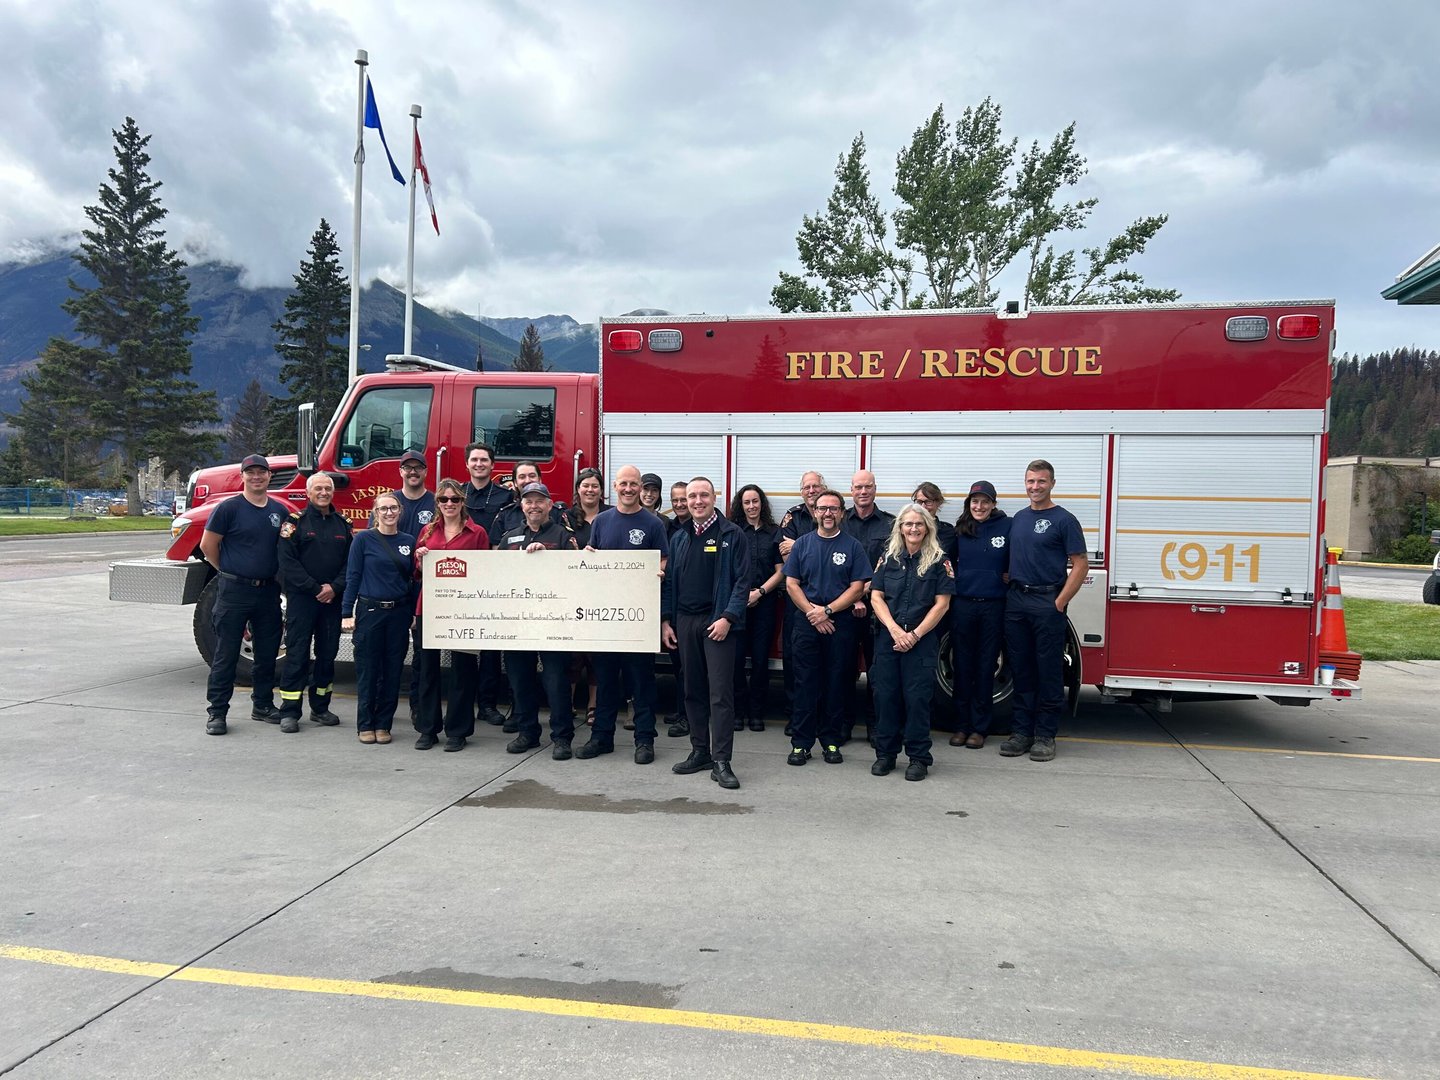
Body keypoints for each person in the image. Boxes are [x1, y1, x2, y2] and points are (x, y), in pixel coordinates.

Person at [577, 464, 670, 764]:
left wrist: (659, 572)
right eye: (623, 484)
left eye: (634, 484)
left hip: (639, 619)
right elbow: (593, 560)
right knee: (604, 681)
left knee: (641, 682)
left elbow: (664, 561)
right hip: (606, 618)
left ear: (641, 487)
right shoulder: (602, 522)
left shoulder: (653, 524)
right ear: (614, 487)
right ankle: (601, 738)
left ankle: (644, 740)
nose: (629, 489)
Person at [1000, 459, 1089, 763]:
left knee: (1048, 671)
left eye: (1041, 481)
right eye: (1030, 481)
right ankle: (1021, 732)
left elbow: (1080, 564)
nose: (1034, 487)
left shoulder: (1065, 520)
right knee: (1020, 669)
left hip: (1047, 603)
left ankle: (1045, 735)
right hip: (1017, 602)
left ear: (1052, 483)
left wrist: (1060, 602)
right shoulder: (1019, 519)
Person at [663, 477, 750, 790]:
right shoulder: (679, 537)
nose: (697, 501)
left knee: (720, 694)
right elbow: (670, 582)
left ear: (715, 497)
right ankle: (699, 751)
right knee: (692, 689)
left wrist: (728, 617)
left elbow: (742, 582)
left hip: (717, 624)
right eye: (692, 496)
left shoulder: (731, 534)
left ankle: (721, 760)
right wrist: (666, 621)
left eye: (703, 495)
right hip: (685, 622)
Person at [199, 454, 289, 735]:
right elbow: (207, 545)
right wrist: (228, 570)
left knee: (266, 655)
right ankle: (217, 712)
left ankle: (262, 704)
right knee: (225, 655)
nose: (257, 477)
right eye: (251, 473)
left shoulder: (278, 511)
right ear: (243, 476)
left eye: (261, 472)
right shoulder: (228, 509)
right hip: (234, 592)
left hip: (268, 592)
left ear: (269, 476)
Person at [782, 489, 871, 766]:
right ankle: (801, 744)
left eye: (833, 508)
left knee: (836, 684)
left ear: (842, 513)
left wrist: (828, 610)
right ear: (815, 512)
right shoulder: (802, 545)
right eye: (822, 508)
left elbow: (857, 587)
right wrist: (813, 613)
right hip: (807, 622)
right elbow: (791, 584)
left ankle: (831, 741)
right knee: (805, 684)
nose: (828, 513)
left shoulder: (853, 546)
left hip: (840, 623)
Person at [869, 504, 954, 781]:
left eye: (919, 524)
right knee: (885, 697)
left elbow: (942, 604)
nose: (913, 529)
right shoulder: (888, 557)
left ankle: (918, 758)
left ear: (927, 527)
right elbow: (876, 597)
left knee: (917, 700)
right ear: (900, 528)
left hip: (921, 642)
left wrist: (914, 635)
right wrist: (895, 630)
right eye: (908, 524)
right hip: (889, 640)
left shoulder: (940, 560)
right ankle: (886, 755)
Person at [497, 482, 580, 760]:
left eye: (539, 501)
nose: (534, 506)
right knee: (520, 680)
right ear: (522, 505)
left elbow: (576, 576)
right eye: (528, 501)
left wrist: (547, 559)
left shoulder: (563, 537)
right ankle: (528, 733)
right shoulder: (509, 538)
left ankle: (562, 737)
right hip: (517, 623)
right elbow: (494, 576)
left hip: (553, 622)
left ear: (549, 505)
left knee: (555, 681)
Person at [412, 479, 489, 752]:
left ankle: (457, 730)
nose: (449, 504)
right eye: (443, 500)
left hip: (463, 610)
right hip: (429, 608)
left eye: (454, 500)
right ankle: (428, 729)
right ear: (437, 504)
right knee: (427, 670)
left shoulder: (477, 533)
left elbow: (485, 572)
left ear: (462, 502)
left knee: (463, 671)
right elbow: (418, 573)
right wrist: (420, 559)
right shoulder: (427, 531)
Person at [274, 472, 353, 732]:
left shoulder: (343, 524)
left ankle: (320, 707)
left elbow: (350, 563)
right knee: (297, 654)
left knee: (327, 655)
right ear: (308, 493)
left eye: (327, 488)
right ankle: (290, 712)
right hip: (303, 600)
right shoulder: (294, 522)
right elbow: (287, 562)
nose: (323, 492)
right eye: (318, 488)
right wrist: (314, 588)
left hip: (332, 601)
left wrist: (334, 588)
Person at [341, 492, 419, 745]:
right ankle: (365, 724)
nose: (388, 513)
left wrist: (415, 613)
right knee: (368, 670)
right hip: (370, 612)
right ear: (375, 512)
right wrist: (345, 612)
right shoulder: (363, 539)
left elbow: (414, 579)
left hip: (399, 613)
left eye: (393, 508)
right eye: (383, 508)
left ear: (400, 511)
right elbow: (353, 576)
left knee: (393, 671)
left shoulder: (409, 540)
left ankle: (384, 724)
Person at [947, 480, 1011, 750]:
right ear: (968, 504)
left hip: (993, 606)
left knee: (985, 667)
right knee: (962, 666)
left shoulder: (1008, 527)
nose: (979, 506)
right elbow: (945, 561)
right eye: (975, 501)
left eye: (985, 501)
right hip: (963, 604)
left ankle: (979, 729)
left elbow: (1019, 555)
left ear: (994, 504)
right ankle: (961, 726)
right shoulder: (960, 530)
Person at [462, 440, 513, 729]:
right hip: (461, 579)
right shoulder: (456, 493)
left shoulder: (505, 496)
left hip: (493, 578)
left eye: (484, 460)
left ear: (493, 466)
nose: (479, 464)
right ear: (467, 464)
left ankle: (489, 704)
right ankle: (465, 700)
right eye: (474, 460)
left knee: (492, 648)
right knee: (465, 645)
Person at [843, 469, 895, 743]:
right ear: (851, 490)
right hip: (844, 610)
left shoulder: (889, 524)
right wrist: (852, 598)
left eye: (868, 487)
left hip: (878, 609)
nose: (863, 492)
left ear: (875, 489)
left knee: (878, 671)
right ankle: (843, 723)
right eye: (858, 487)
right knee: (843, 668)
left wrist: (864, 594)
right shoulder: (840, 521)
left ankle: (875, 725)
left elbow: (889, 566)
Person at [728, 483, 782, 732]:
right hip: (736, 605)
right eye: (747, 502)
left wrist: (760, 592)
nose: (751, 506)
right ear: (741, 505)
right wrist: (743, 596)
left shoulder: (775, 532)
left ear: (762, 504)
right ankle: (738, 712)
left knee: (760, 661)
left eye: (755, 501)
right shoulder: (733, 532)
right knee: (736, 661)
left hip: (765, 604)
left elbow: (781, 572)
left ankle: (756, 713)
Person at [778, 470, 826, 724]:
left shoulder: (833, 513)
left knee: (826, 659)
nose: (811, 490)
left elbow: (834, 550)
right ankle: (794, 714)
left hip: (829, 597)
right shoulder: (793, 516)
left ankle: (821, 713)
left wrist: (800, 546)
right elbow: (787, 557)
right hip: (797, 597)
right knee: (794, 657)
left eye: (815, 486)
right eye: (806, 487)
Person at [391, 450, 435, 726]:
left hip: (423, 589)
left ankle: (419, 708)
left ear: (426, 471)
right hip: (394, 588)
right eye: (408, 468)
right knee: (393, 651)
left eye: (418, 468)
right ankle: (383, 709)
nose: (413, 472)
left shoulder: (436, 502)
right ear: (401, 472)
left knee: (421, 654)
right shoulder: (390, 502)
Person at [564, 467, 608, 724]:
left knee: (595, 654)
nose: (590, 490)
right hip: (573, 593)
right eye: (585, 485)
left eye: (595, 486)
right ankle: (567, 704)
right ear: (578, 489)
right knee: (572, 654)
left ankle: (593, 705)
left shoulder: (611, 516)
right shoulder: (565, 518)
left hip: (602, 593)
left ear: (601, 490)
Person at [912, 481, 956, 556]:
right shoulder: (907, 531)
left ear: (939, 503)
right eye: (919, 502)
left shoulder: (949, 533)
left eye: (928, 502)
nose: (923, 507)